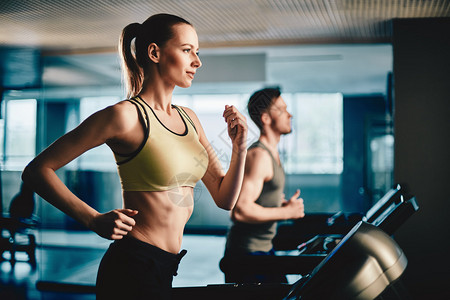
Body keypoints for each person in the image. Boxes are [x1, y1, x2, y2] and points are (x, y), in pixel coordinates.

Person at [21, 13, 248, 300]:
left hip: (165, 266)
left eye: (197, 52)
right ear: (155, 52)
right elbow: (37, 170)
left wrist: (239, 148)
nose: (197, 62)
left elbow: (225, 198)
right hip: (131, 265)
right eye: (187, 50)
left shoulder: (190, 118)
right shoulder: (124, 116)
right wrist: (93, 220)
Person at [223, 87, 304, 284]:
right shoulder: (259, 155)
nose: (289, 114)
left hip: (263, 249)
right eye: (282, 110)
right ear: (266, 118)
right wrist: (287, 213)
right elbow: (240, 210)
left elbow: (257, 200)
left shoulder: (271, 153)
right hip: (247, 255)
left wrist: (279, 207)